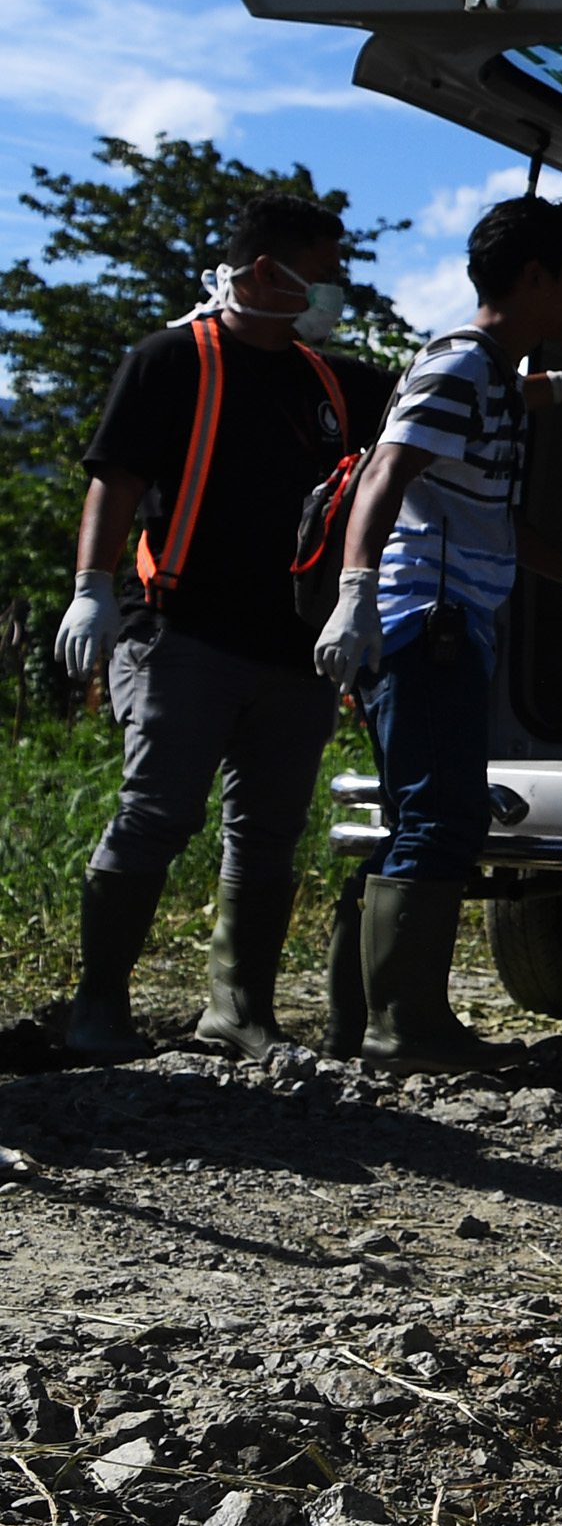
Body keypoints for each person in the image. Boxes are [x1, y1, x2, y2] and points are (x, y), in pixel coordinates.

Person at [58, 194, 392, 1061]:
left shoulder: (334, 383)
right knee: (156, 814)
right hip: (182, 636)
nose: (333, 294)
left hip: (292, 650)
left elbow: (431, 409)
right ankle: (99, 1007)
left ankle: (238, 1010)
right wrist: (91, 587)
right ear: (262, 273)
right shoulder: (171, 360)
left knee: (269, 831)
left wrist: (549, 387)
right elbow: (116, 482)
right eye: (321, 275)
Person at [311, 198, 562, 1071]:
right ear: (530, 278)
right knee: (439, 818)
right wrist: (357, 591)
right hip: (427, 621)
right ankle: (402, 1026)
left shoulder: (488, 375)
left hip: (452, 619)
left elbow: (482, 512)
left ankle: (360, 1024)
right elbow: (386, 473)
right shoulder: (461, 370)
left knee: (421, 813)